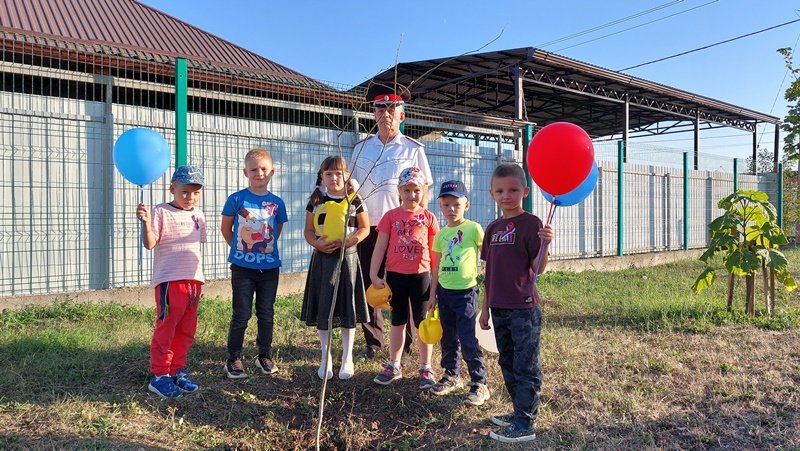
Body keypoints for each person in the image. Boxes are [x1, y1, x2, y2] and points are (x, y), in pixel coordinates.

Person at [351, 82, 433, 359]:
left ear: (402, 114)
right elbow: (351, 189)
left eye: (391, 107)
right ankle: (372, 342)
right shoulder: (361, 148)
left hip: (403, 230)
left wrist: (419, 226)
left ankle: (408, 344)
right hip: (368, 228)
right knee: (369, 285)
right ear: (372, 113)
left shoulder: (412, 149)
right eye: (379, 107)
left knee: (404, 286)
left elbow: (424, 190)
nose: (385, 113)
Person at [479, 163, 555, 444]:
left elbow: (538, 269)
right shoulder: (493, 228)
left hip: (524, 308)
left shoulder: (532, 223)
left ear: (525, 191)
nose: (506, 195)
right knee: (507, 361)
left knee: (526, 364)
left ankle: (525, 422)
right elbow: (489, 273)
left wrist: (545, 245)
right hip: (498, 308)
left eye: (513, 190)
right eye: (500, 191)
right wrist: (485, 309)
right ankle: (519, 411)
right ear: (492, 194)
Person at [137, 165, 207, 399]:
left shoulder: (199, 215)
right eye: (185, 191)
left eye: (196, 192)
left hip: (193, 282)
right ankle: (160, 375)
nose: (190, 197)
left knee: (187, 329)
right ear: (172, 189)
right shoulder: (160, 212)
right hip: (170, 281)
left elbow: (195, 247)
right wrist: (146, 222)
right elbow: (150, 243)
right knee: (167, 327)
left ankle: (178, 370)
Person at [300, 155, 370, 380]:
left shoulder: (355, 199)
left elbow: (364, 228)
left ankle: (347, 358)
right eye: (328, 174)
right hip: (323, 259)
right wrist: (317, 243)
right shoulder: (316, 199)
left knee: (347, 307)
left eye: (338, 173)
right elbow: (309, 231)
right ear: (322, 176)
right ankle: (326, 357)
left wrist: (349, 242)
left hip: (347, 259)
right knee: (324, 307)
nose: (333, 178)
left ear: (347, 175)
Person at [369, 166, 439, 388]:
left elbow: (435, 253)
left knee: (422, 323)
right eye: (407, 190)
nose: (412, 195)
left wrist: (435, 286)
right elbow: (380, 247)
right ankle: (394, 364)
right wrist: (373, 273)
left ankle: (426, 367)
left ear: (423, 192)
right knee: (398, 321)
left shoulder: (429, 218)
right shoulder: (390, 217)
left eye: (416, 190)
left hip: (421, 278)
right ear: (399, 191)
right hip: (395, 277)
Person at [221, 148, 288, 379]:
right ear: (245, 172)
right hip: (242, 268)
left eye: (263, 169)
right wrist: (241, 251)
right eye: (253, 170)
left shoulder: (277, 203)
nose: (258, 173)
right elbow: (226, 228)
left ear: (272, 172)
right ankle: (234, 358)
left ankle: (263, 355)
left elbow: (276, 230)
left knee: (266, 313)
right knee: (241, 313)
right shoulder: (236, 199)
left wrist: (262, 249)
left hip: (269, 268)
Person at [428, 180, 489, 406]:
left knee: (467, 337)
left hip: (465, 293)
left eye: (456, 204)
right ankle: (452, 375)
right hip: (444, 293)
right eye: (446, 205)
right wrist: (432, 295)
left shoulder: (473, 229)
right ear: (441, 207)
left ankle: (479, 382)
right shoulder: (441, 235)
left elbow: (488, 257)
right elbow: (436, 268)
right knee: (448, 336)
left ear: (466, 205)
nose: (451, 209)